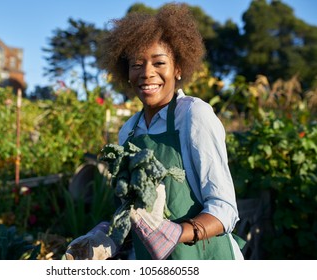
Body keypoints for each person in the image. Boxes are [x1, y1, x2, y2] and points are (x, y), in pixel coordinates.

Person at [64, 2, 244, 260]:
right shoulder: (129, 131)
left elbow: (225, 209)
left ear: (178, 68)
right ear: (126, 72)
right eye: (137, 64)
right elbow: (134, 212)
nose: (147, 73)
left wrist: (177, 232)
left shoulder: (194, 115)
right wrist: (108, 235)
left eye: (159, 62)